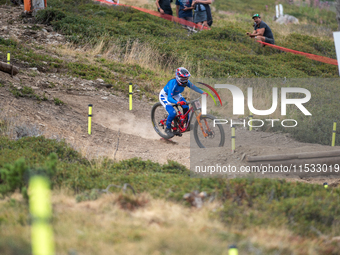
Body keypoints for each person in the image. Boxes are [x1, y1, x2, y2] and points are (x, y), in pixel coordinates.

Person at [159, 67, 207, 138]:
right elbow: (169, 98)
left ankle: (186, 124)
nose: (185, 81)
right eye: (183, 79)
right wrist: (177, 102)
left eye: (186, 79)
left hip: (176, 95)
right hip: (165, 96)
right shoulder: (173, 83)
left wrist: (203, 93)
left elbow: (194, 88)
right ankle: (168, 128)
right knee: (173, 113)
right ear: (178, 78)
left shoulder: (186, 82)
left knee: (186, 106)